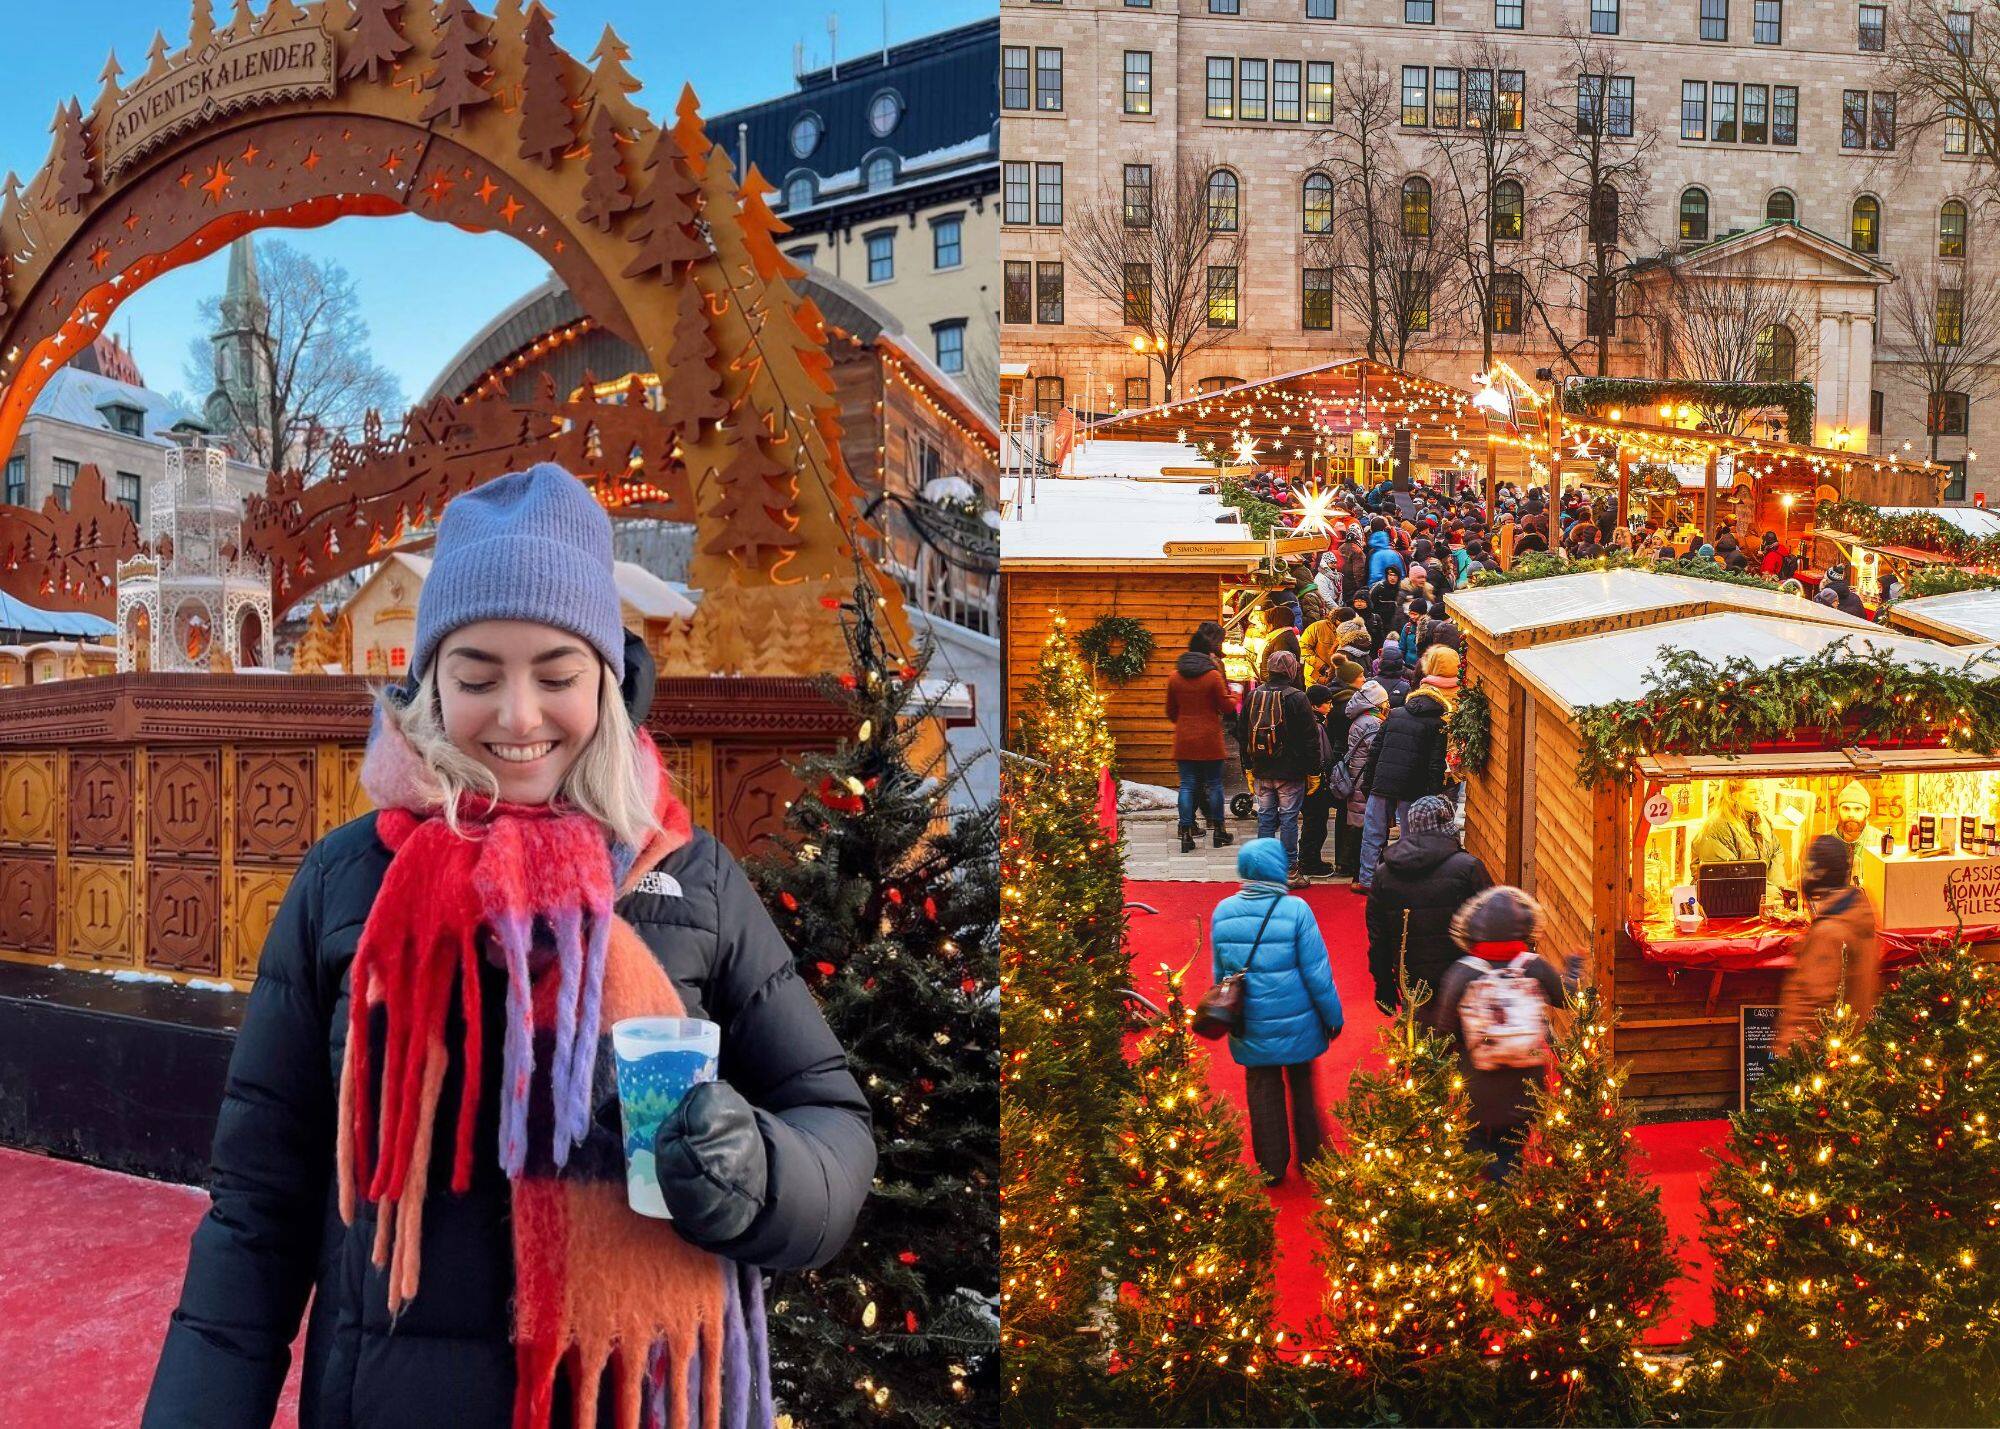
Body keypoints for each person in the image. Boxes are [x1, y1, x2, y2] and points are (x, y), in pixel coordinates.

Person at [143, 464, 872, 1427]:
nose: (518, 716)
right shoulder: (348, 882)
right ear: (431, 684)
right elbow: (256, 1212)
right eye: (478, 676)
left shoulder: (690, 879)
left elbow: (832, 1120)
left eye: (557, 675)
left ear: (608, 681)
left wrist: (760, 1176)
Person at [1212, 837, 1345, 1185]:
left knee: (1262, 1089)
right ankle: (1312, 1157)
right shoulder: (1296, 910)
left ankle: (1271, 1165)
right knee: (1302, 1084)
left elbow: (1220, 975)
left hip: (1250, 1022)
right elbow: (1317, 973)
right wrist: (1333, 1016)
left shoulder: (1223, 912)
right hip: (1298, 1021)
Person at [1431, 886, 1568, 1181]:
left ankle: (1494, 1188)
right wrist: (1574, 969)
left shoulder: (1463, 972)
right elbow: (1567, 998)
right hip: (1527, 1087)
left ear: (1473, 930)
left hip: (1476, 1087)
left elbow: (1443, 1030)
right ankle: (1507, 1186)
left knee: (1475, 1148)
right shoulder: (1534, 966)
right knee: (1512, 1150)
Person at [1364, 795, 1492, 1015]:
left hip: (1412, 980)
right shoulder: (1468, 867)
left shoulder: (1384, 874)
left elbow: (1378, 936)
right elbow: (1492, 925)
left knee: (1418, 1031)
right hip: (1464, 978)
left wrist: (1383, 983)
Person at [1773, 836, 1882, 1056]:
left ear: (1816, 873)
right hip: (1846, 1050)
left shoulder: (1829, 933)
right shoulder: (1857, 914)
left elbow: (1811, 1007)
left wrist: (1788, 1054)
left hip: (1820, 1059)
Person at [1356, 656, 1454, 893]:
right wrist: (1433, 794)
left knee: (1373, 833)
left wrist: (1368, 783)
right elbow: (1435, 765)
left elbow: (1375, 751)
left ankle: (1367, 880)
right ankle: (1405, 880)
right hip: (1412, 787)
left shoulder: (1395, 714)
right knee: (1410, 837)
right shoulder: (1437, 724)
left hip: (1382, 781)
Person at [1237, 648, 1320, 884]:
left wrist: (1248, 767)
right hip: (1291, 771)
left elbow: (1242, 734)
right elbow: (1310, 738)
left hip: (1262, 768)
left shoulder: (1254, 695)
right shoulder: (1297, 697)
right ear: (1292, 670)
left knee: (1265, 817)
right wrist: (1314, 771)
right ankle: (1289, 870)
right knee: (1289, 819)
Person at [1167, 621, 1237, 853]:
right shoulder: (1213, 676)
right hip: (1209, 739)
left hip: (1184, 739)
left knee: (1187, 785)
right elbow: (1226, 707)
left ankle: (1186, 833)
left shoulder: (1175, 677)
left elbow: (1171, 711)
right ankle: (1219, 831)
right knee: (1214, 784)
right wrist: (1235, 696)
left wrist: (1185, 721)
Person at [1691, 778, 1789, 893]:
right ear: (1733, 796)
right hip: (1724, 899)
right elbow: (1726, 874)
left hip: (1755, 896)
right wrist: (1768, 892)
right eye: (1752, 792)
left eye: (1760, 791)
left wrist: (1779, 890)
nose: (1759, 797)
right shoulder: (1717, 827)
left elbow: (1776, 853)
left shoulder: (1763, 822)